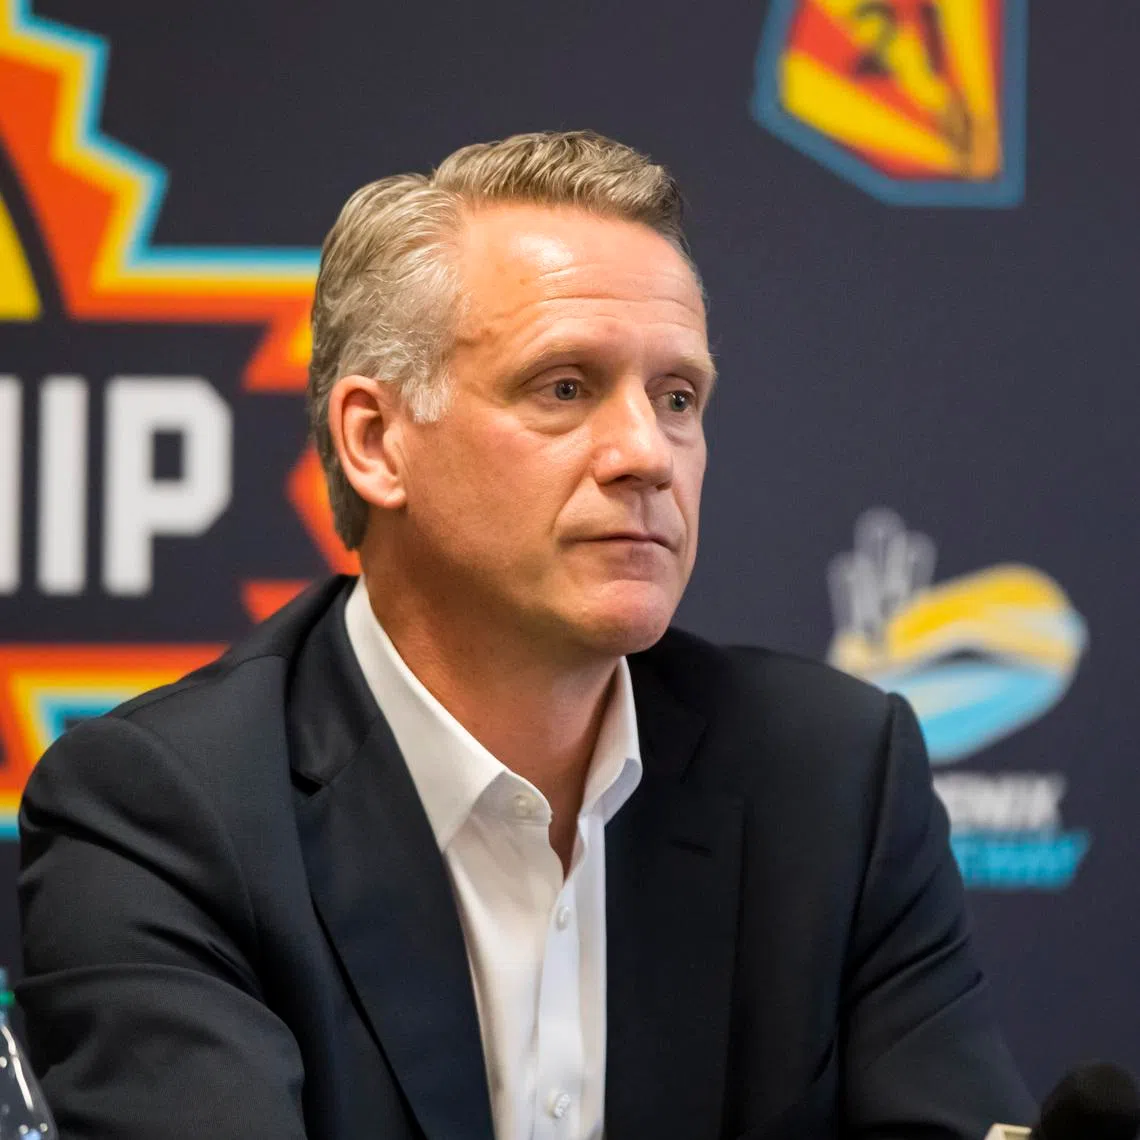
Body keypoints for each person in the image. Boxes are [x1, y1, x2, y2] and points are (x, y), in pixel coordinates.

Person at [18, 131, 1035, 1140]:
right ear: (375, 440)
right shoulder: (166, 814)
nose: (647, 454)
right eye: (565, 388)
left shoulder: (835, 782)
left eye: (678, 398)